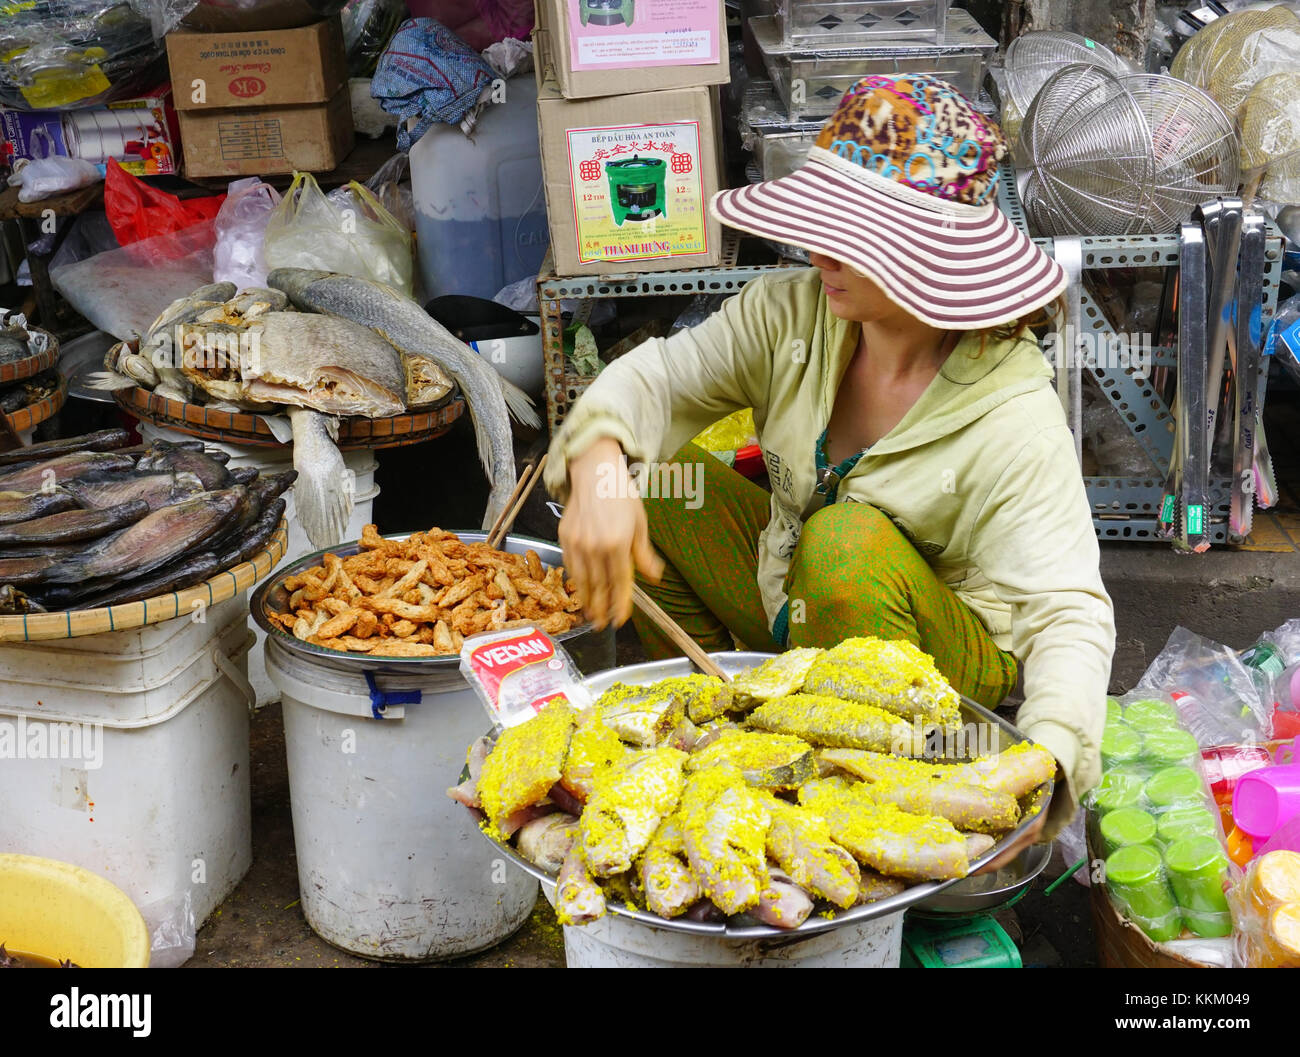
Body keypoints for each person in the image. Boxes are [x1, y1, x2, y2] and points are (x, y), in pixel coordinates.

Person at [543, 74, 1115, 859]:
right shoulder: (792, 313)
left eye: (849, 235)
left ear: (925, 248)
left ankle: (870, 811)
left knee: (843, 544)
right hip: (792, 607)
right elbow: (657, 381)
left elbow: (1068, 614)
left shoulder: (1011, 413)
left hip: (930, 670)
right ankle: (727, 734)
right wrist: (600, 469)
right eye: (819, 225)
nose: (819, 251)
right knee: (646, 476)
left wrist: (1047, 758)